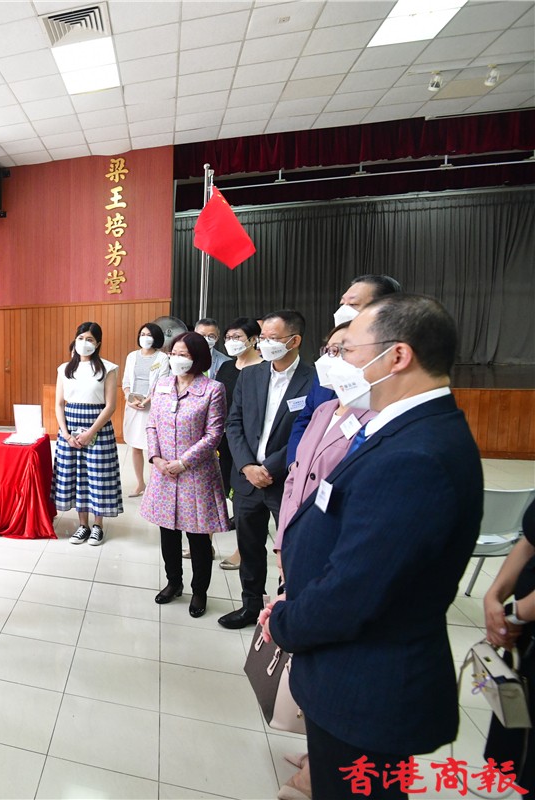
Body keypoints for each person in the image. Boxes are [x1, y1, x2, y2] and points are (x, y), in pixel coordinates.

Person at [262, 294, 483, 800]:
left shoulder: (418, 454)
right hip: (347, 670)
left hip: (367, 686)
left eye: (349, 351)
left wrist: (285, 622)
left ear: (397, 356)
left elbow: (356, 589)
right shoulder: (402, 428)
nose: (337, 363)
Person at [270, 321, 376, 800]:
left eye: (343, 349)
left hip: (330, 557)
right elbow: (297, 477)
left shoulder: (376, 421)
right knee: (305, 662)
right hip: (298, 544)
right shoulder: (326, 409)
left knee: (323, 657)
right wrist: (283, 542)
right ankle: (316, 751)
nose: (331, 359)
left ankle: (324, 770)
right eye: (329, 350)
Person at [218, 310, 315, 630]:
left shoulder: (314, 380)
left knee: (290, 549)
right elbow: (233, 423)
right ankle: (250, 605)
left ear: (294, 340)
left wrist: (269, 467)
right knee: (249, 545)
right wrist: (247, 465)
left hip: (286, 479)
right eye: (262, 338)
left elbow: (310, 432)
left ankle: (286, 610)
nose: (264, 344)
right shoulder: (250, 376)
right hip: (247, 479)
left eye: (272, 339)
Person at [142, 332, 229, 618]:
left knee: (198, 538)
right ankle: (173, 582)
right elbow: (152, 424)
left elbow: (214, 434)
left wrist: (183, 462)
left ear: (198, 358)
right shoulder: (162, 385)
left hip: (196, 474)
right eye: (174, 354)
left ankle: (199, 590)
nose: (176, 359)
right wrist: (156, 458)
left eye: (184, 355)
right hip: (164, 471)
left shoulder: (213, 389)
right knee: (168, 532)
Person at [286, 275, 400, 465]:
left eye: (353, 304)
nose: (343, 311)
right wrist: (295, 465)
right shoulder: (329, 363)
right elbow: (305, 418)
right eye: (342, 303)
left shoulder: (391, 370)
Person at [482, 498, 535, 790]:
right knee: (517, 752)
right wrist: (494, 596)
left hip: (525, 621)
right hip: (523, 635)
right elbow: (530, 541)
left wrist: (518, 613)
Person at [54, 321, 123, 546]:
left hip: (98, 429)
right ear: (75, 340)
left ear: (98, 343)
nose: (84, 343)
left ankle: (98, 526)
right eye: (81, 338)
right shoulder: (65, 369)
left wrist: (90, 432)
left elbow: (110, 406)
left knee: (98, 477)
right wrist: (66, 435)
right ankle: (82, 525)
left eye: (90, 339)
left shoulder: (108, 368)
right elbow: (59, 404)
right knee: (77, 477)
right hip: (70, 430)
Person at [214, 317, 263, 571]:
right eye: (228, 337)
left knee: (244, 498)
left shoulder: (264, 368)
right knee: (216, 490)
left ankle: (242, 550)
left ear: (253, 340)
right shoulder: (226, 367)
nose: (231, 342)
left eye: (237, 337)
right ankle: (205, 542)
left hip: (248, 442)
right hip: (221, 438)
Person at [121, 322, 169, 497]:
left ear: (156, 338)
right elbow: (126, 380)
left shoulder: (162, 358)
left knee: (152, 447)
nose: (145, 338)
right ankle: (140, 483)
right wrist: (129, 398)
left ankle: (155, 485)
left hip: (152, 407)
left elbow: (162, 383)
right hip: (133, 404)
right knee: (135, 445)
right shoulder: (132, 356)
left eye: (149, 335)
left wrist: (147, 401)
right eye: (142, 334)